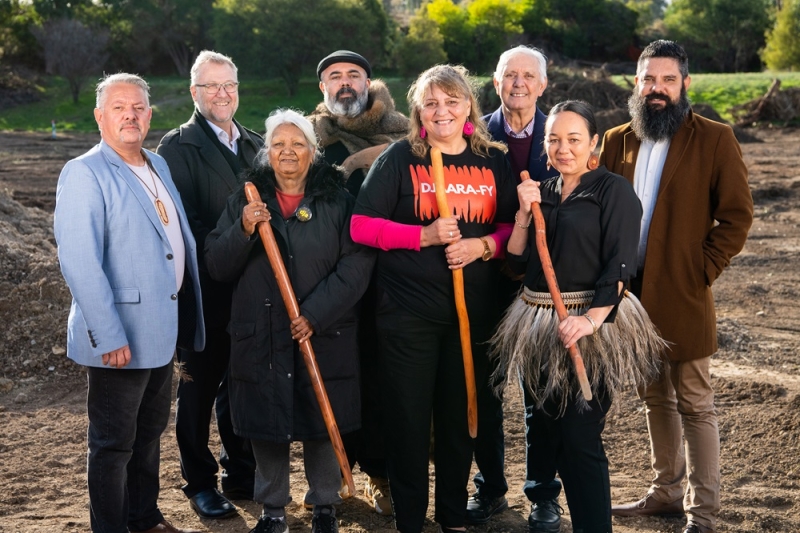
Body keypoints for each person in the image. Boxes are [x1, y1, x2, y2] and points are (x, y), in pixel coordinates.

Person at [351, 64, 517, 533]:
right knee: (407, 420)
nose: (441, 111)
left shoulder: (492, 160)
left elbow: (510, 228)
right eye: (431, 103)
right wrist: (421, 236)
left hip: (474, 318)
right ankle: (410, 520)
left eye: (451, 101)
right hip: (407, 316)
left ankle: (452, 517)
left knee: (459, 418)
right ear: (419, 111)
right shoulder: (402, 157)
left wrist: (483, 245)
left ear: (469, 106)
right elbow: (361, 224)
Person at [600, 40, 754, 533]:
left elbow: (736, 217)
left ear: (685, 84)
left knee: (695, 400)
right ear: (636, 84)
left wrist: (701, 269)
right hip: (630, 296)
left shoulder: (715, 138)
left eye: (668, 80)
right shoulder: (616, 140)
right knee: (654, 397)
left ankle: (702, 513)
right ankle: (665, 492)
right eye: (649, 80)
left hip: (685, 292)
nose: (657, 89)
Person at [492, 100, 665, 533]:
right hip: (536, 324)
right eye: (553, 139)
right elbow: (515, 265)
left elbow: (621, 266)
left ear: (594, 143)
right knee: (545, 427)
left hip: (593, 326)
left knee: (580, 436)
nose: (562, 148)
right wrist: (521, 216)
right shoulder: (541, 191)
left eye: (573, 139)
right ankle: (544, 503)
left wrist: (589, 320)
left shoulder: (613, 190)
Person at [204, 109, 375, 533]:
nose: (288, 152)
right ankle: (273, 508)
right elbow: (216, 264)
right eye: (278, 144)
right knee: (268, 422)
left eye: (298, 143)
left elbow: (356, 265)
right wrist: (242, 229)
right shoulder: (246, 200)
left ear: (313, 152)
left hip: (323, 329)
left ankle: (324, 505)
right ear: (266, 152)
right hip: (261, 332)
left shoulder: (337, 201)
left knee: (321, 418)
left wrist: (315, 313)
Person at [54, 73, 205, 533]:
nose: (130, 115)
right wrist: (108, 333)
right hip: (120, 336)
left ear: (150, 115)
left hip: (160, 330)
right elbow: (80, 261)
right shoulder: (84, 172)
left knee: (147, 437)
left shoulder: (156, 163)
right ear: (100, 116)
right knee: (113, 443)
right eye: (119, 107)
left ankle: (144, 518)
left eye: (138, 107)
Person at [156, 50, 260, 519]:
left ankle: (241, 471)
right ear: (194, 93)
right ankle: (198, 481)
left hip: (254, 293)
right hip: (204, 290)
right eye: (211, 87)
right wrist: (234, 244)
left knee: (241, 386)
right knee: (198, 390)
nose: (222, 94)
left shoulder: (257, 144)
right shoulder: (177, 147)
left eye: (229, 85)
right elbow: (184, 224)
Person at [310, 49, 409, 515]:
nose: (345, 83)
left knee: (382, 379)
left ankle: (384, 476)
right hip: (330, 280)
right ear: (323, 88)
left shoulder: (405, 134)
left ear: (370, 82)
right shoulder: (310, 141)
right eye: (335, 76)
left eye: (354, 75)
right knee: (332, 376)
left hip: (392, 280)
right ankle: (330, 479)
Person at [468, 45, 560, 528]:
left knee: (542, 393)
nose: (518, 83)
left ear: (543, 85)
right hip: (486, 280)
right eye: (509, 75)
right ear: (496, 80)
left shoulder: (560, 134)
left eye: (528, 76)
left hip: (543, 284)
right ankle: (490, 490)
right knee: (485, 391)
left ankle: (543, 493)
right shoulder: (475, 134)